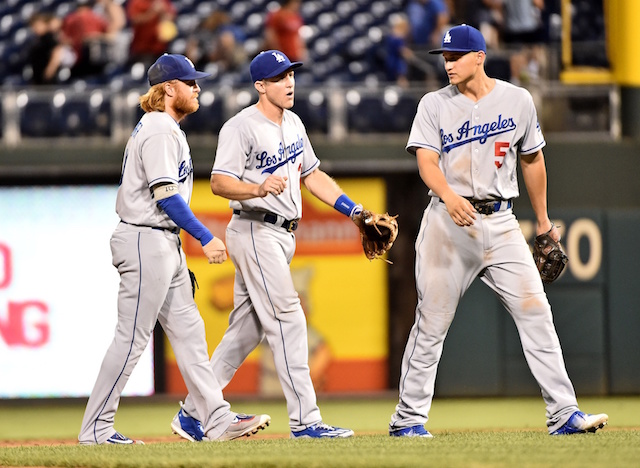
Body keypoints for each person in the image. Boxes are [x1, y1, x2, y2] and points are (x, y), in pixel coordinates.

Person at [388, 24, 608, 438]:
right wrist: (449, 197)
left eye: (456, 56)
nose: (448, 63)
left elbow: (533, 160)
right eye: (445, 57)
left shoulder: (517, 99)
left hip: (502, 222)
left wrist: (542, 220)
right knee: (431, 323)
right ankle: (408, 420)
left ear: (480, 57)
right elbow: (426, 162)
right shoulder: (433, 104)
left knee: (536, 312)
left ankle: (564, 413)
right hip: (447, 223)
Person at [170, 50, 369, 440]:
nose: (289, 82)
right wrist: (257, 188)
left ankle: (194, 414)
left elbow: (312, 175)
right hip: (255, 229)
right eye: (279, 78)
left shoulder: (293, 123)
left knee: (246, 332)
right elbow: (219, 182)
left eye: (291, 74)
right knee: (289, 319)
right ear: (260, 85)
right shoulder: (240, 127)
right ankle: (306, 422)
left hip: (283, 234)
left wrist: (356, 211)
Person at [78, 54, 270, 445]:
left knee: (190, 334)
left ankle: (214, 420)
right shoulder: (161, 129)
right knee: (131, 339)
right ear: (169, 88)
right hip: (145, 237)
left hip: (161, 241)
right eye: (190, 82)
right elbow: (166, 196)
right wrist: (205, 236)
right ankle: (96, 429)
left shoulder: (166, 127)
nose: (197, 88)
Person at [60, 0, 126, 80]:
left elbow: (117, 26)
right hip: (90, 51)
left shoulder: (111, 6)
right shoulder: (95, 8)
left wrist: (97, 35)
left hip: (114, 48)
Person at [126, 0, 177, 67]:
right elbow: (134, 19)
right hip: (141, 49)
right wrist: (152, 12)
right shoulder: (137, 2)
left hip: (160, 49)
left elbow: (171, 17)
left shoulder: (163, 2)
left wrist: (163, 12)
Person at [25, 13, 66, 85]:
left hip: (48, 77)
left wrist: (50, 69)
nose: (36, 28)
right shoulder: (37, 39)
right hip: (38, 75)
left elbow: (57, 53)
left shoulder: (49, 37)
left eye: (38, 25)